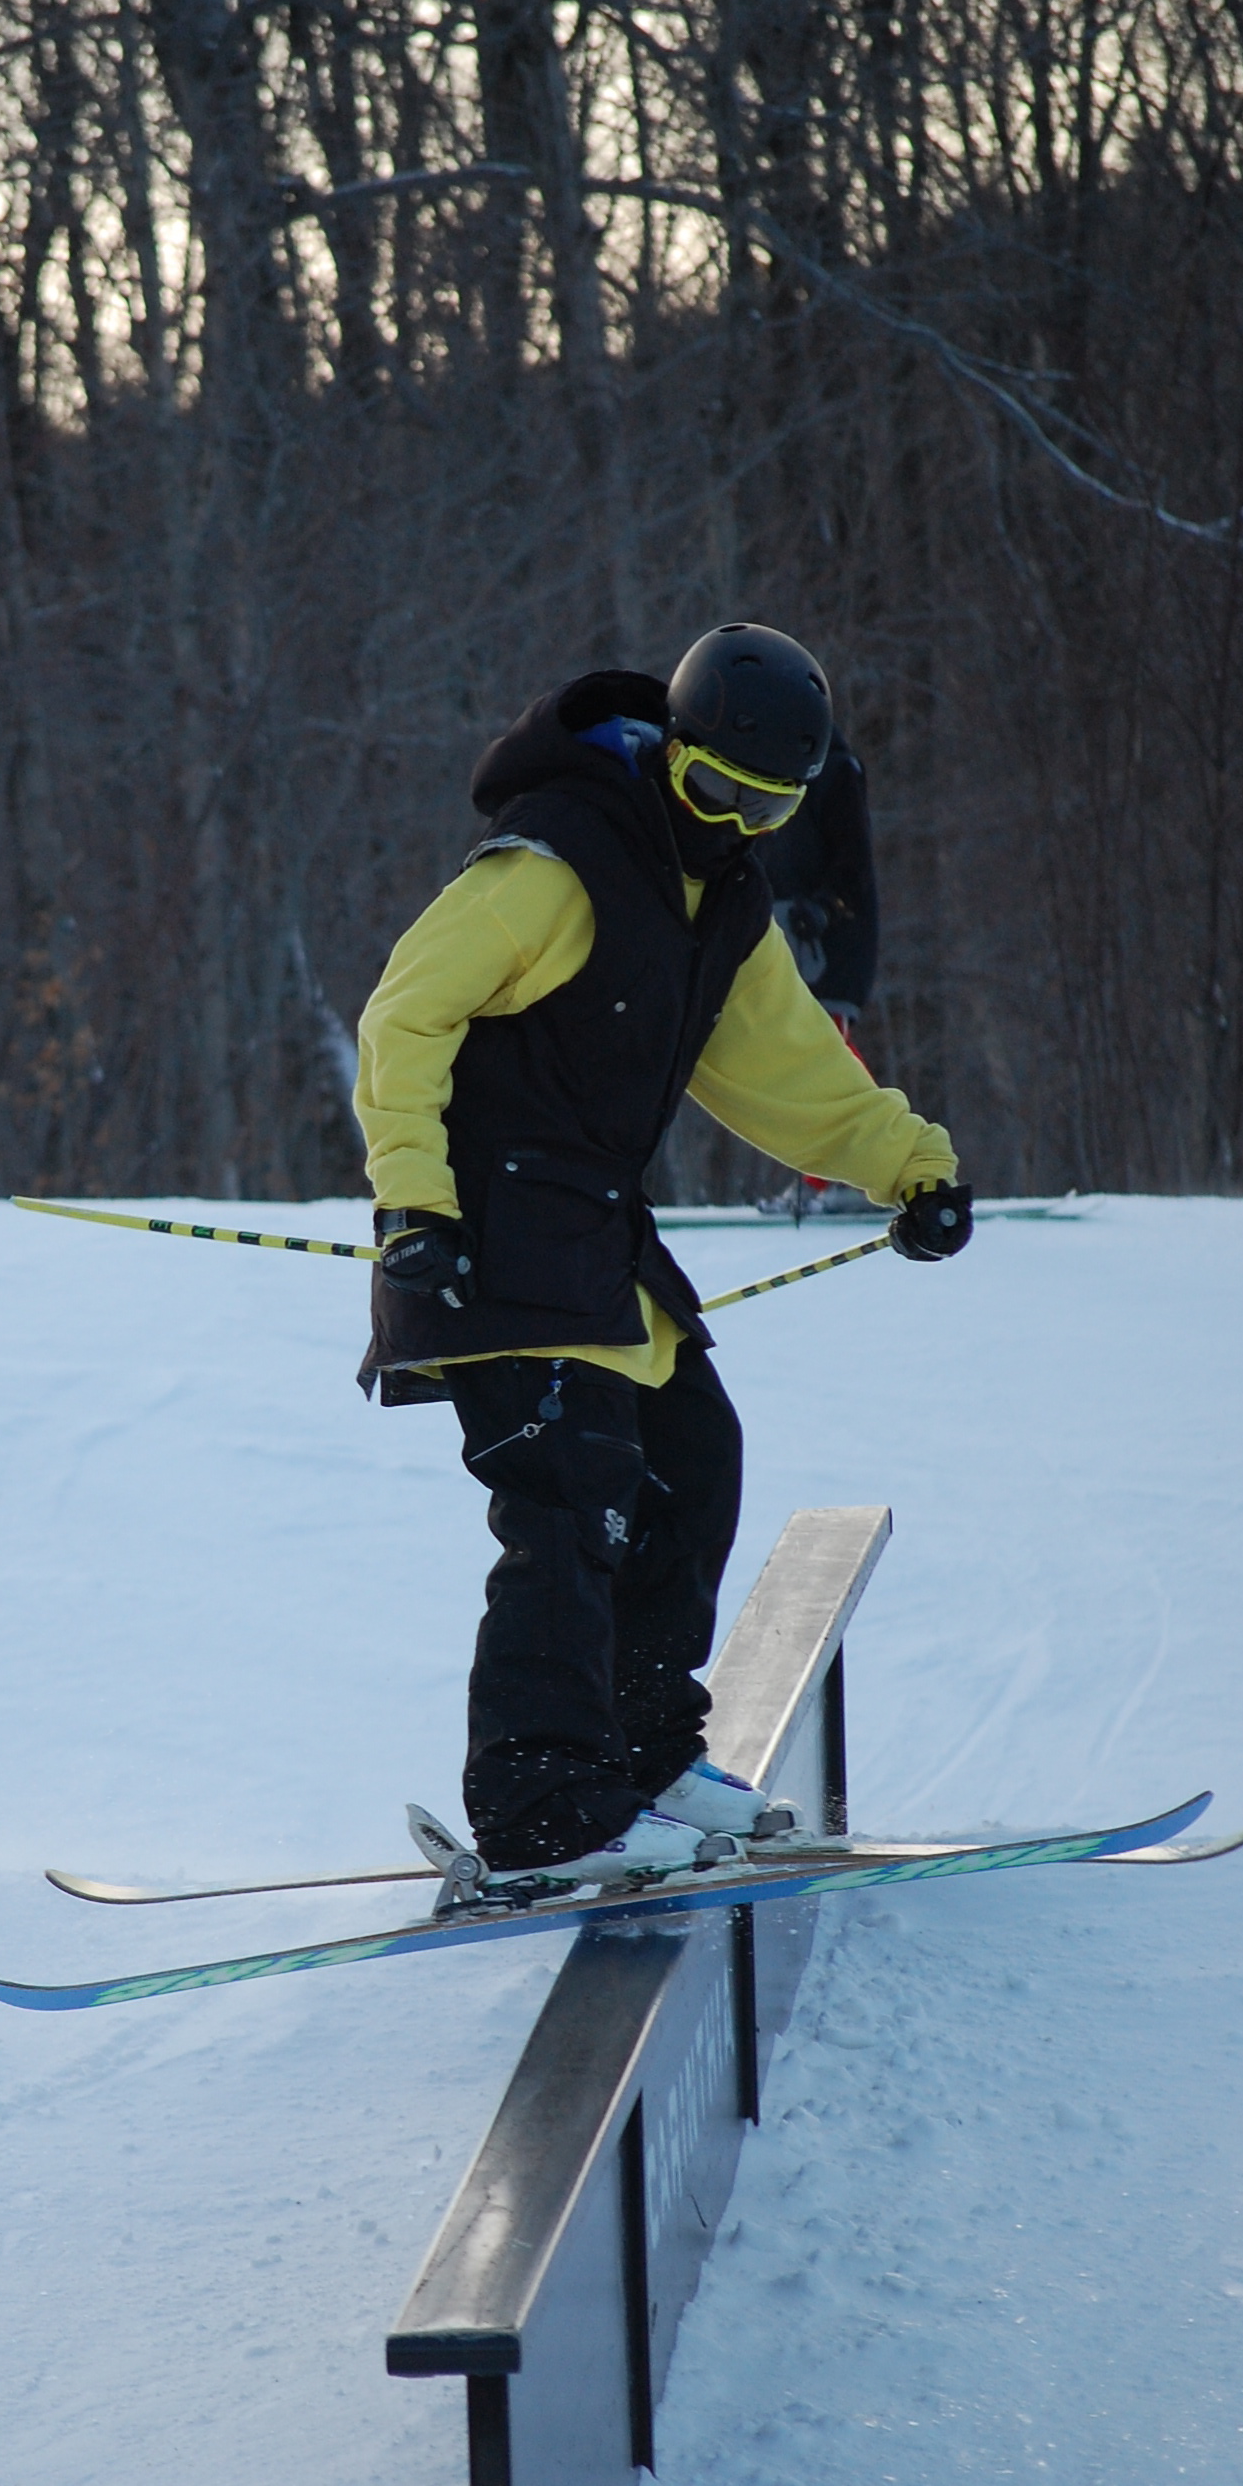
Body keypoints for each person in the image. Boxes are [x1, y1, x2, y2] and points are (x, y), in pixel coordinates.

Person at [353, 625, 971, 1890]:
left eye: (766, 808)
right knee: (572, 1501)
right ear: (667, 754)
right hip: (481, 1240)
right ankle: (541, 1810)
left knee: (690, 1462)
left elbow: (786, 1070)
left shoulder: (722, 901)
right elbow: (403, 1013)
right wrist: (411, 1205)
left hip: (595, 1239)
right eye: (712, 791)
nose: (732, 824)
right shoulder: (555, 864)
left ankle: (638, 1758)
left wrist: (910, 1166)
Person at [756, 722, 880, 1215]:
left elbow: (853, 861)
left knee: (825, 1052)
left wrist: (826, 907)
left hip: (827, 940)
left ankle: (845, 1175)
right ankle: (828, 1175)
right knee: (789, 1057)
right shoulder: (763, 765)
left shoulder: (834, 769)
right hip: (781, 928)